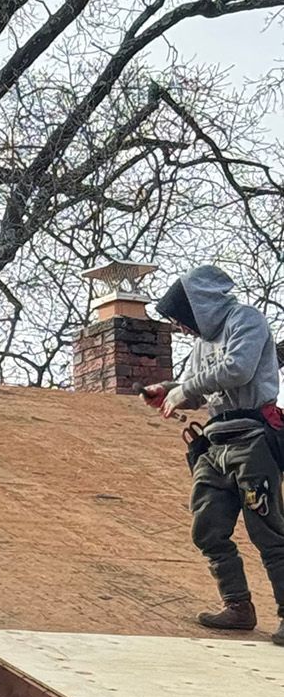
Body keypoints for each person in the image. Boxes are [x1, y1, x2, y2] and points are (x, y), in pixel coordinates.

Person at [144, 266, 284, 642]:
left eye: (180, 319)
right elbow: (196, 386)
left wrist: (185, 388)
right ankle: (238, 606)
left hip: (253, 437)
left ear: (197, 307)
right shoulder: (201, 345)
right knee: (207, 528)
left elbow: (237, 368)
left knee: (267, 531)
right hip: (215, 442)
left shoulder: (246, 320)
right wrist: (168, 389)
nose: (180, 327)